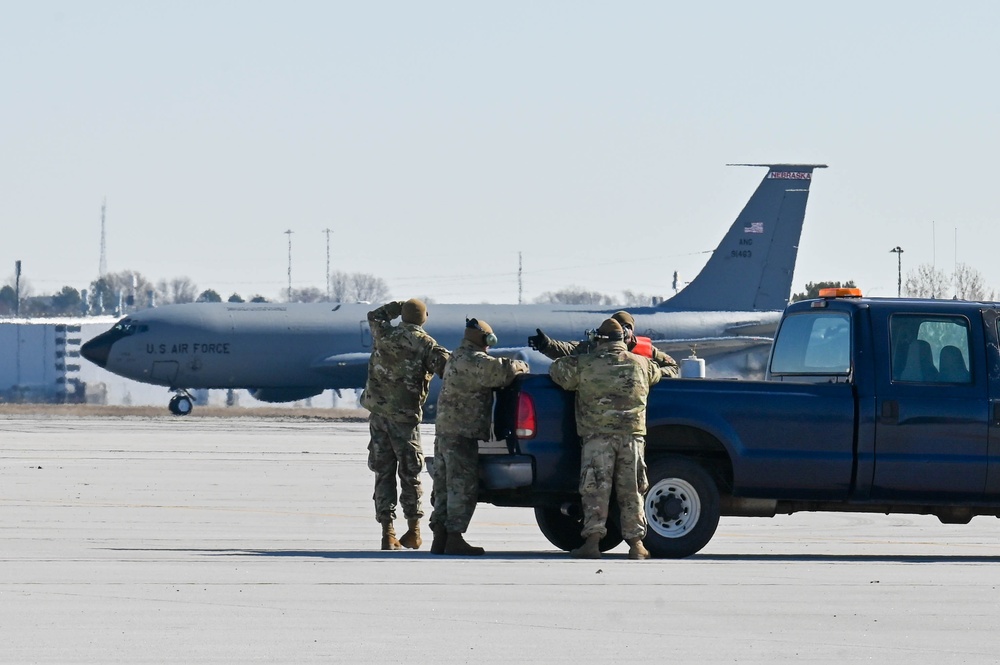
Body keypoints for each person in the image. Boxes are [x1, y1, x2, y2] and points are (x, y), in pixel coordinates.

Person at [548, 318, 665, 560]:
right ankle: (636, 545)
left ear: (599, 339)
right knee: (632, 489)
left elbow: (557, 371)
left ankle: (592, 542)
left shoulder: (585, 364)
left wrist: (583, 351)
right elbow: (662, 371)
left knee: (595, 489)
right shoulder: (642, 364)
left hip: (597, 437)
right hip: (632, 438)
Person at [429, 318, 529, 555]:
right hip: (462, 433)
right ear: (484, 340)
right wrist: (522, 366)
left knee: (443, 486)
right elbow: (503, 372)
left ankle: (440, 537)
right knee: (462, 485)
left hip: (445, 432)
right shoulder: (475, 360)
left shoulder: (455, 357)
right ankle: (454, 537)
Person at [359, 298, 450, 551]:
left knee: (383, 472)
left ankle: (387, 532)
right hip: (404, 419)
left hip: (378, 416)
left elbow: (374, 315)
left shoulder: (384, 334)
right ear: (423, 318)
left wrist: (397, 306)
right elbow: (447, 367)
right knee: (410, 473)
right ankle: (414, 530)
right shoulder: (425, 343)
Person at [528, 310, 679, 376]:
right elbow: (570, 349)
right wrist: (546, 345)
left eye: (625, 328)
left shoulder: (646, 351)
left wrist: (651, 373)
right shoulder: (598, 345)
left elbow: (673, 368)